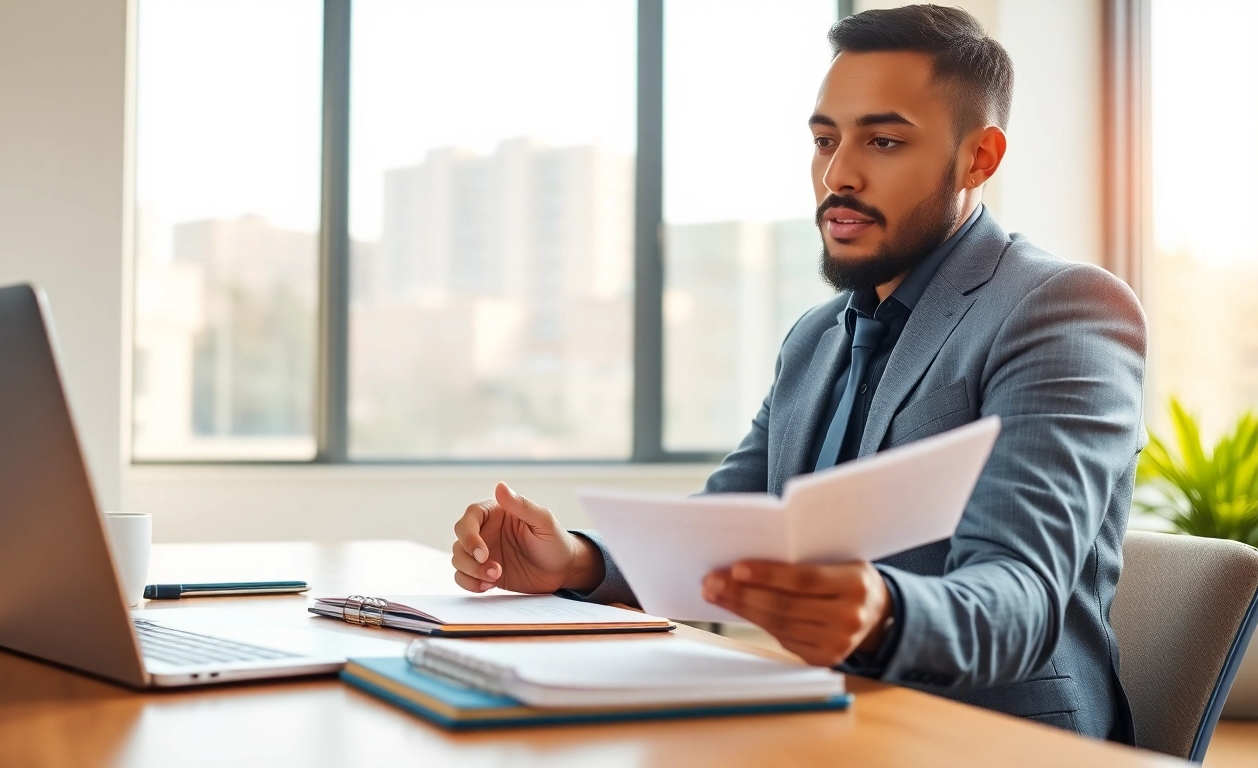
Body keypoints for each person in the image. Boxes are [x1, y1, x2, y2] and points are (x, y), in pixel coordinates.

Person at [449, 4, 1143, 743]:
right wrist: (574, 562)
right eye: (824, 140)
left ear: (979, 159)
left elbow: (1021, 597)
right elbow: (721, 534)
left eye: (883, 140)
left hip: (997, 743)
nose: (837, 174)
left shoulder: (1063, 308)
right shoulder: (815, 339)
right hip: (828, 724)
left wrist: (885, 609)